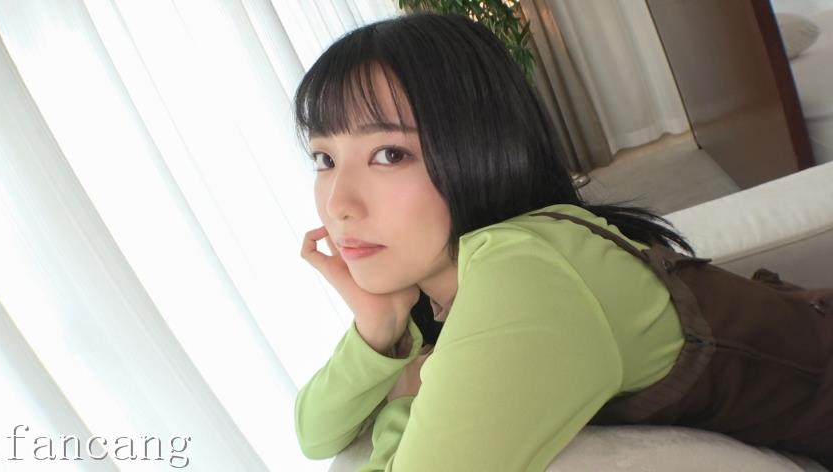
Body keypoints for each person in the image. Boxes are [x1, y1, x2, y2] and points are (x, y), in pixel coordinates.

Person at [292, 12, 832, 472]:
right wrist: (376, 332)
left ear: (481, 148)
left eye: (389, 154)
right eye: (325, 158)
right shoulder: (443, 276)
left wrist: (408, 396)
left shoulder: (527, 272)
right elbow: (314, 434)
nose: (339, 203)